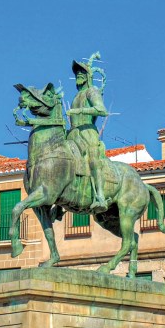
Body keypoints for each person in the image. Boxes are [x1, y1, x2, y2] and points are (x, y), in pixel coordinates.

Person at [65, 57, 109, 212]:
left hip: (88, 132)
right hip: (73, 133)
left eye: (82, 72)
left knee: (93, 159)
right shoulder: (76, 96)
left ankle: (100, 196)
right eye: (77, 72)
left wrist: (79, 111)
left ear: (89, 76)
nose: (78, 75)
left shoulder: (92, 91)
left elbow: (102, 110)